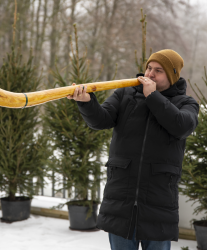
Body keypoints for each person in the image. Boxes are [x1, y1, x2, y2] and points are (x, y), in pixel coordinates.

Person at [67, 49, 199, 250]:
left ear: (172, 76)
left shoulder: (186, 103)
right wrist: (86, 102)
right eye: (149, 68)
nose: (150, 74)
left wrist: (153, 96)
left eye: (159, 70)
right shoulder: (125, 94)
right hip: (121, 200)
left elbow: (181, 126)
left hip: (158, 204)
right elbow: (101, 120)